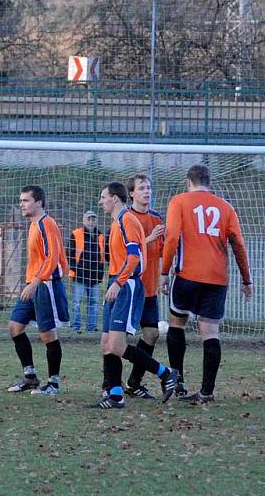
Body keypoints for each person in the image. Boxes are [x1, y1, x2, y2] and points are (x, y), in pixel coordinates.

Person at [160, 165, 253, 404]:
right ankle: (207, 392)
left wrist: (164, 272)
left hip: (187, 275)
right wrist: (246, 279)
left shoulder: (179, 202)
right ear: (209, 182)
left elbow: (171, 238)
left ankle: (178, 382)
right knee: (210, 332)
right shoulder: (226, 207)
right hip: (216, 277)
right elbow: (238, 244)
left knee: (177, 324)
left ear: (187, 181)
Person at [93, 181, 178, 409]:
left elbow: (134, 258)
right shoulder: (118, 221)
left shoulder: (127, 221)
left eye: (103, 197)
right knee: (106, 344)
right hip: (116, 281)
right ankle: (116, 394)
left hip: (126, 285)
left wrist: (119, 283)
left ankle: (165, 373)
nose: (101, 201)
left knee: (117, 346)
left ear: (116, 199)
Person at [7, 185, 69, 396]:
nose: (21, 204)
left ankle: (54, 383)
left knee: (47, 335)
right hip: (33, 283)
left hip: (45, 284)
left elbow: (53, 257)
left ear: (39, 202)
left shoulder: (47, 224)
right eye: (21, 200)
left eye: (25, 201)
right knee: (15, 327)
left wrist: (36, 282)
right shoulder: (34, 225)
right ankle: (30, 377)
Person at [124, 174, 165, 399]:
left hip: (149, 288)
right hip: (129, 288)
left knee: (151, 334)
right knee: (116, 339)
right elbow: (126, 251)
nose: (146, 192)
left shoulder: (157, 218)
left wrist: (162, 278)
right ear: (131, 193)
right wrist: (148, 238)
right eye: (141, 188)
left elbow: (159, 253)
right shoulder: (126, 218)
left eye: (148, 188)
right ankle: (110, 385)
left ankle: (133, 383)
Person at [67, 210, 105, 333]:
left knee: (93, 302)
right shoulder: (76, 234)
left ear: (96, 221)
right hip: (79, 276)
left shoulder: (100, 236)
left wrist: (100, 273)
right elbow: (69, 253)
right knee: (76, 302)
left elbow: (103, 256)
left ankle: (91, 327)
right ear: (83, 220)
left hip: (94, 277)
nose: (91, 221)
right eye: (88, 219)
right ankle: (75, 326)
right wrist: (75, 269)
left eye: (93, 219)